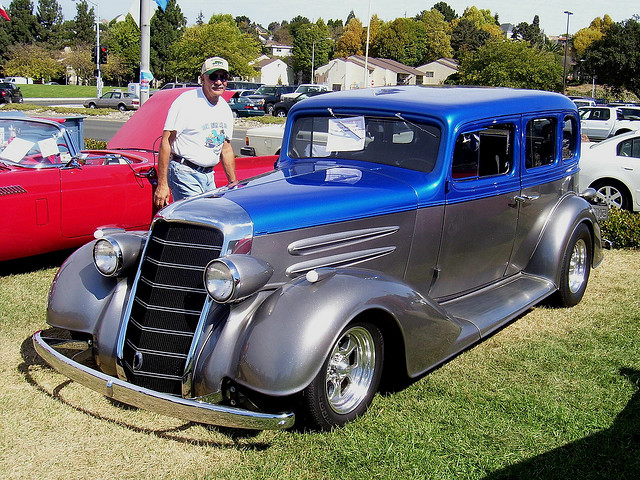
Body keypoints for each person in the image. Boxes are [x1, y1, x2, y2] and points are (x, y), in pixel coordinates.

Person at [154, 56, 237, 208]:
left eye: (223, 77)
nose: (218, 82)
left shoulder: (224, 108)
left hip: (208, 175)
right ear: (202, 79)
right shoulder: (186, 102)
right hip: (184, 172)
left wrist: (233, 183)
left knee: (210, 216)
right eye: (213, 77)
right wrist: (162, 184)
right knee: (199, 215)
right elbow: (166, 142)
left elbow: (226, 148)